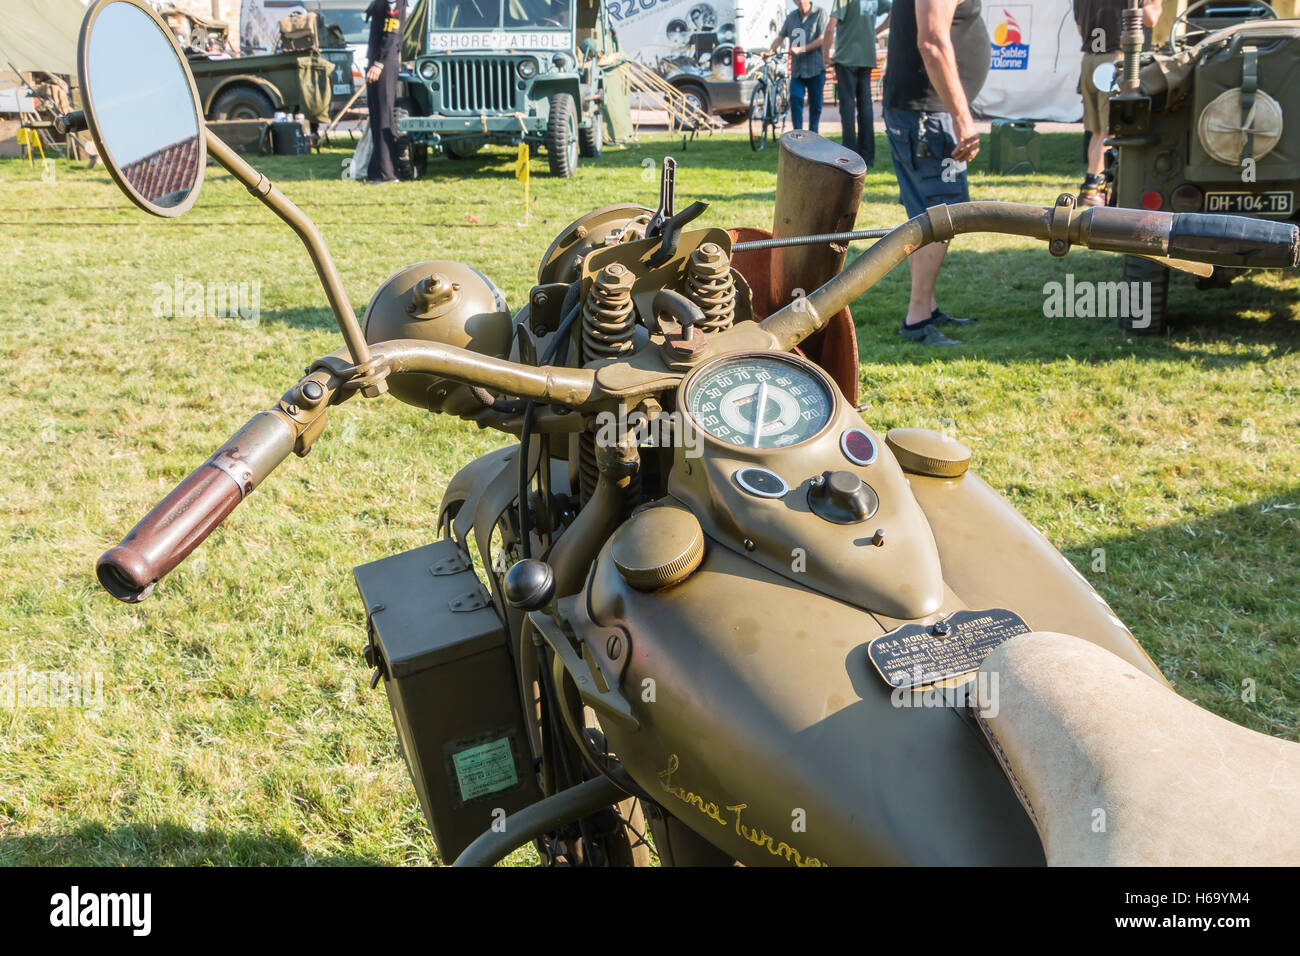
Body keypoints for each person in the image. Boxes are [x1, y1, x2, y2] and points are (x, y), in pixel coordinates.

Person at [882, 0, 989, 345]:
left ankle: (927, 305)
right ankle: (917, 318)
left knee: (925, 215)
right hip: (928, 116)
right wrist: (962, 118)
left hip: (923, 112)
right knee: (942, 216)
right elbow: (931, 42)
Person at [1073, 0, 1163, 206]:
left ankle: (1091, 186)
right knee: (1109, 131)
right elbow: (1151, 19)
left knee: (1097, 132)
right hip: (1115, 60)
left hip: (1089, 60)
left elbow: (1080, 28)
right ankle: (1093, 188)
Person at [824, 0, 891, 168]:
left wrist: (825, 55)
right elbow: (894, 11)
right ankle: (868, 157)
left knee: (847, 108)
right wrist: (876, 30)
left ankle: (850, 156)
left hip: (846, 58)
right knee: (865, 108)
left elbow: (830, 27)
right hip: (867, 58)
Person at [766, 0, 829, 133]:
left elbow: (822, 38)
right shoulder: (791, 17)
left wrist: (802, 49)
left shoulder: (820, 13)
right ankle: (798, 136)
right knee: (795, 100)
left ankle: (813, 135)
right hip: (798, 71)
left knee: (815, 106)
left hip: (816, 69)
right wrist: (770, 51)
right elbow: (781, 37)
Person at [364, 0, 407, 185]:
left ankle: (386, 173)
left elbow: (391, 32)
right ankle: (378, 169)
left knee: (383, 116)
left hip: (384, 63)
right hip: (378, 61)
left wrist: (379, 63)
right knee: (377, 117)